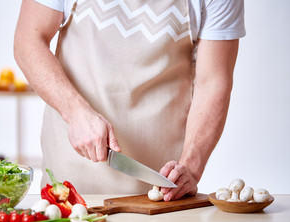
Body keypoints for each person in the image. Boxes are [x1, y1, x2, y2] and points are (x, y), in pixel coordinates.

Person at [14, 0, 245, 201]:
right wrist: (75, 111)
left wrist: (190, 168)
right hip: (68, 184)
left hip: (160, 194)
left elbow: (213, 82)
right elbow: (28, 41)